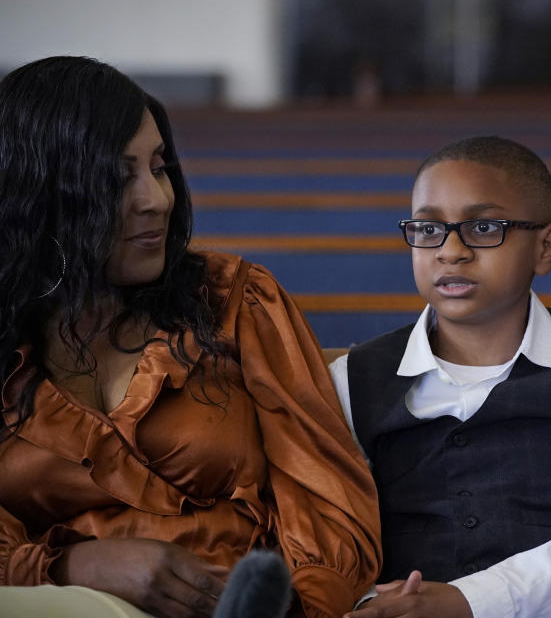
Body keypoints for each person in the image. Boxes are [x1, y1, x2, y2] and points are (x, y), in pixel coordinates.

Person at [0, 56, 381, 618]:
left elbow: (330, 503)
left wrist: (292, 609)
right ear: (42, 191)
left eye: (158, 167)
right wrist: (69, 567)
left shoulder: (234, 301)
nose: (157, 198)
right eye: (116, 177)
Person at [327, 136, 551, 618]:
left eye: (484, 227)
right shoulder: (354, 380)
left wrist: (467, 602)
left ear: (546, 248)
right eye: (428, 228)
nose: (452, 251)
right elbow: (334, 536)